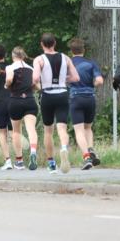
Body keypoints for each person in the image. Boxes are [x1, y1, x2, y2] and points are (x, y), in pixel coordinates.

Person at [34, 33, 79, 173]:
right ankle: (64, 149)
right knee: (62, 128)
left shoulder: (39, 59)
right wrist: (63, 79)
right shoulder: (65, 58)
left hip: (47, 94)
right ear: (54, 43)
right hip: (62, 93)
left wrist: (41, 80)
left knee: (48, 130)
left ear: (42, 44)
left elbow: (35, 78)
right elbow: (76, 77)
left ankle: (51, 162)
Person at [68, 37, 104, 169]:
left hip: (76, 97)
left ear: (71, 51)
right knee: (88, 128)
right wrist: (91, 85)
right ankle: (91, 148)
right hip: (90, 98)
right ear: (83, 50)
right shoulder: (91, 63)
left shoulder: (68, 63)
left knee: (79, 130)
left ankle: (86, 157)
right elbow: (100, 81)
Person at [5, 47, 41, 170]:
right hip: (30, 101)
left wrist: (6, 85)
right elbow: (37, 86)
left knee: (16, 131)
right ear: (24, 56)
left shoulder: (10, 67)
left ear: (13, 56)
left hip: (15, 101)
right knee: (31, 129)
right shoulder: (31, 69)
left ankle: (19, 161)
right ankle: (33, 151)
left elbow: (9, 79)